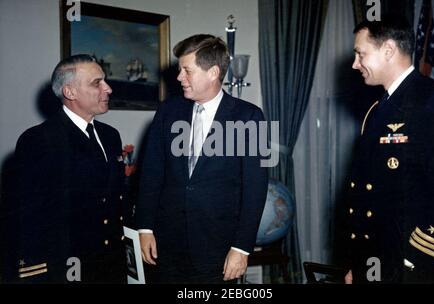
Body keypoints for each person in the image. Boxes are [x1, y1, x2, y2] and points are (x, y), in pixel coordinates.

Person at [136, 34, 268, 283]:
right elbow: (151, 174)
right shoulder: (167, 112)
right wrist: (145, 228)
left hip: (217, 251)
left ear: (213, 72)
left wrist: (241, 248)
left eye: (187, 71)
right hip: (166, 247)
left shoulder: (249, 117)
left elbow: (255, 189)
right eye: (179, 70)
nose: (179, 78)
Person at [343, 16, 434, 283]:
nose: (355, 64)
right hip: (376, 262)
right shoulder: (378, 109)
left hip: (411, 265)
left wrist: (414, 260)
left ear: (388, 50)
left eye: (360, 53)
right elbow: (367, 197)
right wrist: (359, 265)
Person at [3, 54, 127, 283]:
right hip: (67, 267)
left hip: (111, 265)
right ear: (70, 92)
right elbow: (27, 217)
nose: (108, 89)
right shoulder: (38, 140)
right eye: (96, 83)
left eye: (105, 80)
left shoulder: (111, 136)